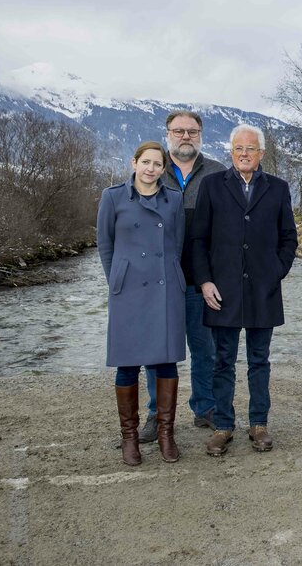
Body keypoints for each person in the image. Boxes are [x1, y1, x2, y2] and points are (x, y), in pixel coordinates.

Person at [191, 124, 298, 456]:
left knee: (259, 360)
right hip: (221, 291)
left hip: (262, 290)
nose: (244, 154)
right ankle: (223, 427)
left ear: (261, 153)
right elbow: (198, 240)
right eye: (238, 149)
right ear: (231, 152)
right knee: (222, 361)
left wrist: (275, 272)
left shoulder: (278, 189)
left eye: (250, 149)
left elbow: (289, 238)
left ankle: (258, 425)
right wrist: (205, 281)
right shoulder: (212, 186)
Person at [137, 111, 226, 445]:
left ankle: (206, 408)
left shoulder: (218, 172)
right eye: (179, 131)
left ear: (201, 134)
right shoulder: (152, 170)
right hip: (159, 282)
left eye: (192, 131)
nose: (185, 136)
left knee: (207, 349)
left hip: (203, 281)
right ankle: (156, 415)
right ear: (168, 133)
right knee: (157, 352)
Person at [97, 141, 186, 466]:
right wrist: (118, 279)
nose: (151, 168)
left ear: (164, 169)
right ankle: (130, 437)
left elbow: (177, 243)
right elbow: (105, 245)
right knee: (127, 364)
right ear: (134, 163)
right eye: (145, 162)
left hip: (165, 289)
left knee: (166, 362)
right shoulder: (113, 197)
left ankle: (165, 434)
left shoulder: (173, 199)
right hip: (128, 291)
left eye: (157, 164)